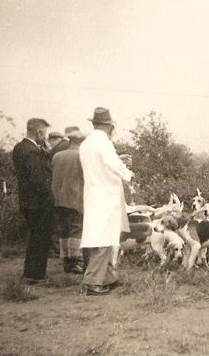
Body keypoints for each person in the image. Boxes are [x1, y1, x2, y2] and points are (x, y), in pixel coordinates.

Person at [79, 107, 133, 296]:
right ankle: (92, 282)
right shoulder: (103, 142)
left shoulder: (87, 143)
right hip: (105, 195)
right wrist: (128, 174)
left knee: (105, 237)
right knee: (103, 238)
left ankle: (109, 277)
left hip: (94, 194)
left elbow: (102, 164)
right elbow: (111, 164)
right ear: (109, 126)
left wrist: (119, 160)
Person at [12, 118, 54, 284]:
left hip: (27, 200)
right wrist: (49, 195)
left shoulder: (20, 148)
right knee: (41, 238)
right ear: (39, 132)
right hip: (38, 202)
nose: (44, 136)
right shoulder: (32, 151)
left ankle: (32, 273)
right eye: (44, 132)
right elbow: (38, 179)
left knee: (35, 237)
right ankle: (35, 274)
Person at [51, 131, 87, 274]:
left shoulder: (57, 156)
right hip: (75, 198)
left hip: (58, 199)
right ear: (81, 142)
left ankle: (66, 261)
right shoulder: (81, 156)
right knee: (76, 230)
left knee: (64, 230)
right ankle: (76, 261)